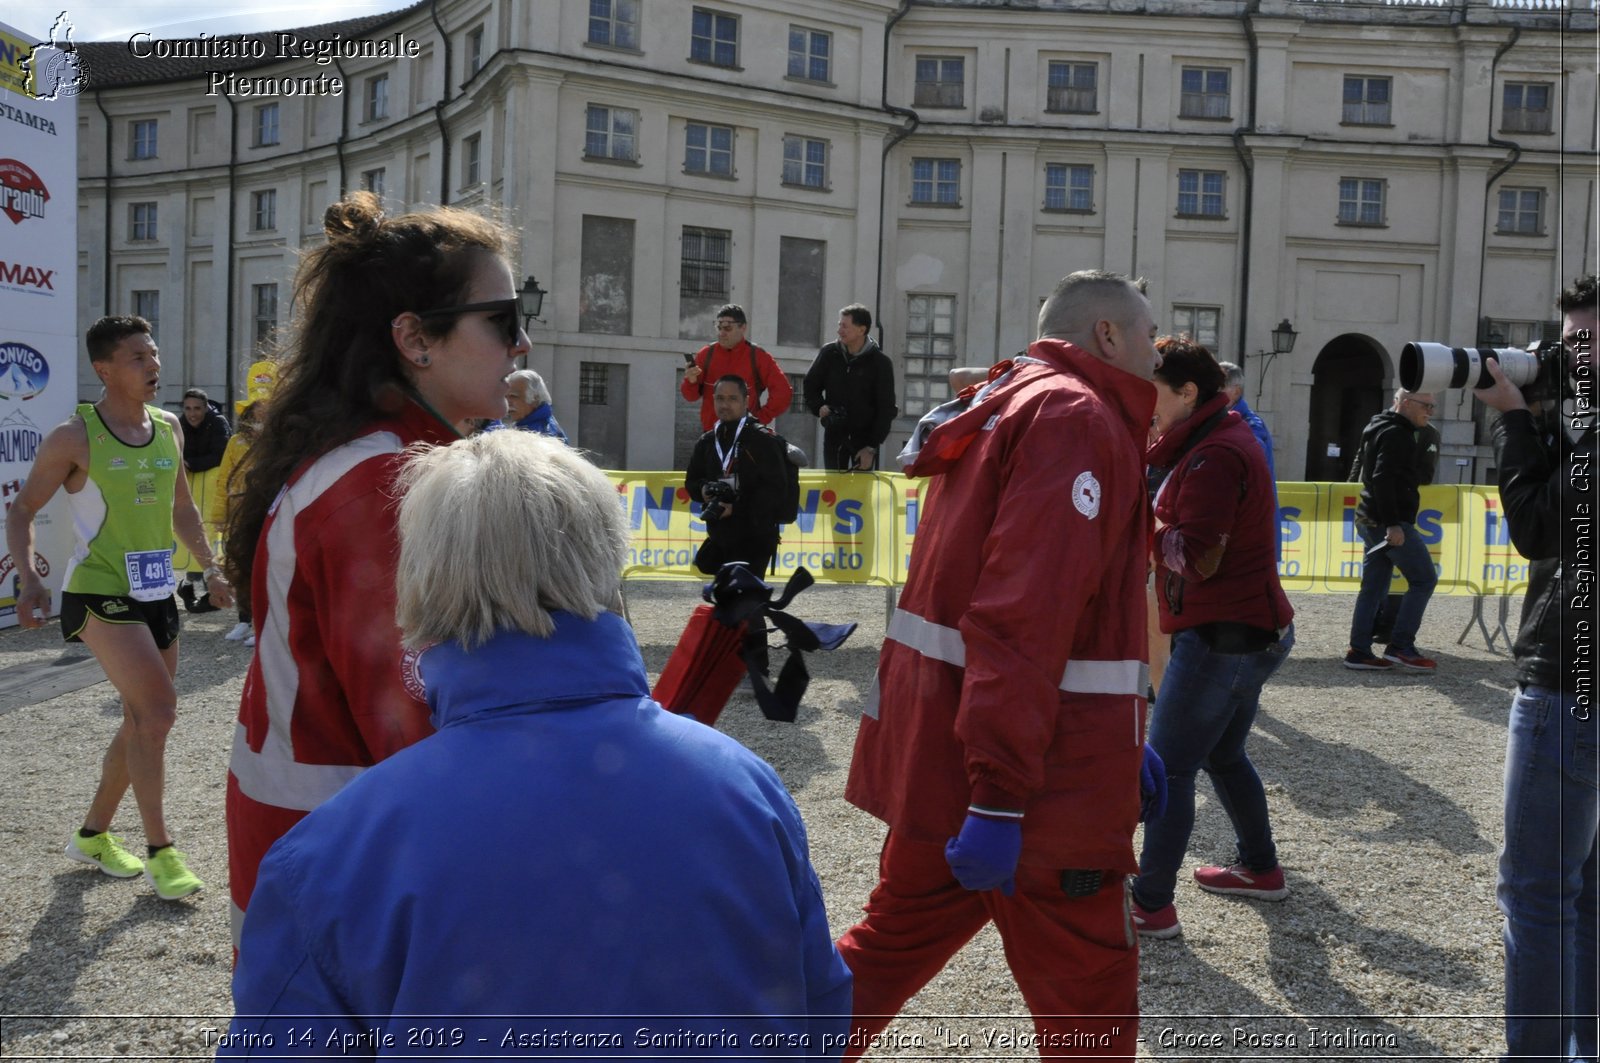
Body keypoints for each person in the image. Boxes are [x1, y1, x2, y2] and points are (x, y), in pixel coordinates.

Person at [224, 430, 852, 1055]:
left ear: (418, 581)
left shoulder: (330, 858)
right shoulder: (747, 788)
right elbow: (819, 1011)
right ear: (609, 561)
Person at [836, 270, 1159, 1059]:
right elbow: (1024, 616)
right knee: (1091, 1005)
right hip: (1040, 786)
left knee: (880, 956)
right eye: (1150, 334)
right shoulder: (1075, 415)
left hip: (946, 762)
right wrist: (1004, 796)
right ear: (1108, 336)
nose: (1160, 351)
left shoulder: (1004, 398)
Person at [223, 191, 528, 946]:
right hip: (351, 869)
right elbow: (417, 728)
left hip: (333, 849)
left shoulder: (383, 457)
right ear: (415, 339)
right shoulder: (381, 487)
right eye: (506, 318)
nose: (522, 344)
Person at [5, 315, 233, 901]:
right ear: (103, 368)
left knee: (140, 722)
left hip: (157, 589)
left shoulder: (169, 428)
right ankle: (161, 851)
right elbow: (23, 509)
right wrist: (30, 577)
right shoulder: (73, 437)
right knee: (157, 714)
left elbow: (183, 507)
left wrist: (210, 566)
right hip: (99, 589)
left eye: (153, 353)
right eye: (137, 357)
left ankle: (92, 836)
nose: (153, 365)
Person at [1128, 337, 1296, 939]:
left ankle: (1150, 903)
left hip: (1226, 636)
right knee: (1223, 755)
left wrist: (1142, 525)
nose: (1143, 405)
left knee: (1168, 769)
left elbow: (1196, 557)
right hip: (1253, 630)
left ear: (1187, 392)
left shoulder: (1214, 454)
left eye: (1152, 392)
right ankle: (1260, 868)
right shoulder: (1207, 441)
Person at [1475, 274, 1597, 1063]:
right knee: (1583, 894)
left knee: (1538, 892)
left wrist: (1517, 423)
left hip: (1567, 680)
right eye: (1567, 342)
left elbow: (1535, 526)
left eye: (1584, 342)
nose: (1568, 356)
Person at [1343, 386, 1440, 671]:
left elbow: (1373, 475)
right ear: (1407, 403)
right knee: (1424, 579)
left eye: (1432, 407)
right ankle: (1400, 646)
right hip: (1387, 521)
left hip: (1369, 518)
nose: (1430, 412)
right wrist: (1394, 525)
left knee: (1373, 586)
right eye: (1426, 406)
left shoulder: (1379, 425)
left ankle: (1359, 650)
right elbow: (1382, 479)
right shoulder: (1399, 434)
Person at [684, 376, 788, 579]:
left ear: (746, 401)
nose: (725, 404)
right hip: (721, 535)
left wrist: (736, 509)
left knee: (746, 605)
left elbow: (776, 491)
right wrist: (704, 490)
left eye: (732, 399)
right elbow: (691, 481)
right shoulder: (707, 441)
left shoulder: (763, 440)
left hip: (755, 536)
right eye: (720, 398)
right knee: (724, 602)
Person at [803, 303, 897, 470]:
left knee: (860, 493)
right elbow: (810, 385)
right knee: (832, 491)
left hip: (864, 443)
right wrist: (819, 407)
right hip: (834, 437)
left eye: (845, 326)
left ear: (862, 330)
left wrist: (871, 447)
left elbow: (886, 408)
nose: (840, 331)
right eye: (839, 325)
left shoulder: (880, 363)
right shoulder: (829, 353)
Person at [681, 304, 792, 431]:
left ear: (743, 327)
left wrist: (759, 419)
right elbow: (690, 396)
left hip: (747, 436)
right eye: (719, 327)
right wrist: (691, 381)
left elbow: (783, 392)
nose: (722, 333)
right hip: (712, 435)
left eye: (728, 328)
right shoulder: (705, 354)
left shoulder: (758, 356)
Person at [210, 399, 264, 646]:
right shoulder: (235, 442)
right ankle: (244, 620)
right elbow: (224, 479)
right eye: (256, 414)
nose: (259, 420)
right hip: (238, 512)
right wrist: (219, 515)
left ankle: (261, 624)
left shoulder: (280, 441)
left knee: (262, 569)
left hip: (264, 511)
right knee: (239, 569)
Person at [175, 387, 230, 613]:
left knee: (210, 535)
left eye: (197, 408)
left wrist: (191, 464)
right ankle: (188, 585)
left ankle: (202, 587)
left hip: (212, 487)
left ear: (206, 408)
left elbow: (221, 454)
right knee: (188, 537)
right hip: (190, 486)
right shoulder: (179, 423)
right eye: (188, 408)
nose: (192, 414)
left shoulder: (218, 423)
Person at [500, 367, 568, 442]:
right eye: (506, 397)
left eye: (513, 396)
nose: (507, 402)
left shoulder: (543, 434)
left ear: (535, 399)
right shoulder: (527, 425)